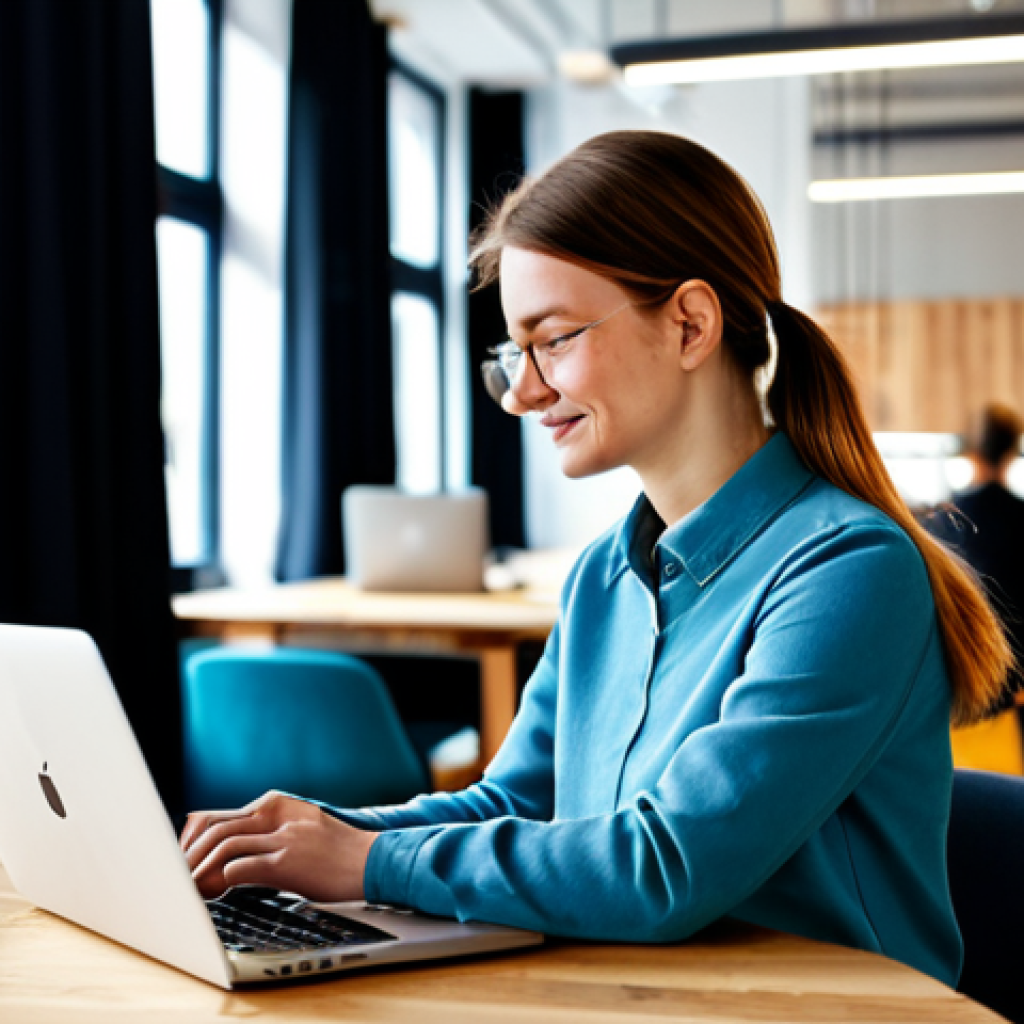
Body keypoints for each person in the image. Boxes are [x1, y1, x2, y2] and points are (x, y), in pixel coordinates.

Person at [180, 131, 1011, 988]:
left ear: (690, 324)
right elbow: (513, 804)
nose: (527, 392)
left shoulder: (848, 572)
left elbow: (666, 867)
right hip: (633, 992)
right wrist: (304, 835)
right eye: (514, 354)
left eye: (555, 340)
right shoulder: (605, 575)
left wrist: (369, 862)